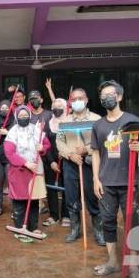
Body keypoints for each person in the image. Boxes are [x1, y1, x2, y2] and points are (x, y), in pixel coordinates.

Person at [91, 80, 139, 278]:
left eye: (110, 94)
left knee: (132, 224)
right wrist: (95, 179)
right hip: (106, 182)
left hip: (129, 183)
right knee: (107, 222)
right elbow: (96, 154)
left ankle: (133, 265)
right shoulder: (98, 125)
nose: (106, 98)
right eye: (103, 96)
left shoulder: (133, 121)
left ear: (119, 96)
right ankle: (113, 262)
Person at [55, 88, 103, 245]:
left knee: (93, 197)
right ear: (70, 102)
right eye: (74, 99)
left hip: (90, 164)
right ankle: (75, 230)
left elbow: (103, 142)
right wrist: (70, 154)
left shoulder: (97, 120)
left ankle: (99, 231)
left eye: (80, 98)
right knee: (71, 197)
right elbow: (59, 141)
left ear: (87, 99)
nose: (77, 102)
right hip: (70, 164)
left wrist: (87, 149)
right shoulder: (65, 121)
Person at [4, 106, 51, 242]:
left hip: (35, 170)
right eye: (21, 115)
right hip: (20, 170)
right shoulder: (12, 132)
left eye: (26, 115)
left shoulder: (37, 130)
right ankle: (20, 228)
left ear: (30, 116)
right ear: (16, 116)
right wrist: (26, 163)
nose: (23, 117)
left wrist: (42, 148)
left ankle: (33, 226)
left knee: (34, 199)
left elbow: (47, 145)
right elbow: (9, 152)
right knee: (20, 200)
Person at [42, 98, 70, 227]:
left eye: (60, 106)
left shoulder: (70, 122)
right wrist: (52, 161)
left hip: (67, 161)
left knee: (67, 188)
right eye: (54, 106)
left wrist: (65, 153)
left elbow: (74, 142)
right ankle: (54, 215)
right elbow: (44, 144)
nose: (56, 108)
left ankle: (66, 215)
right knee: (51, 189)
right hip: (50, 162)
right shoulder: (48, 123)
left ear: (65, 107)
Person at [0, 99, 16, 218]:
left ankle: (14, 209)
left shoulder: (14, 121)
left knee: (12, 185)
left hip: (10, 158)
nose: (4, 110)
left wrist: (8, 132)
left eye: (7, 107)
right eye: (2, 108)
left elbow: (18, 137)